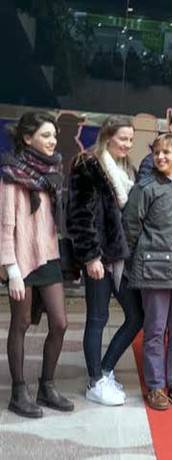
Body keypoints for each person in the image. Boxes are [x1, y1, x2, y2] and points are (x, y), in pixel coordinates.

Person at [0, 111, 74, 418]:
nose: (52, 140)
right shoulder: (12, 174)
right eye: (46, 135)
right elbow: (5, 225)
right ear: (27, 138)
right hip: (21, 258)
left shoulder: (52, 170)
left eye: (54, 135)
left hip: (48, 256)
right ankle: (19, 392)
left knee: (60, 323)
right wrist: (11, 269)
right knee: (21, 323)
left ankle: (47, 386)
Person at [67, 115, 143, 406]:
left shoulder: (127, 169)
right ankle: (95, 381)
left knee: (137, 316)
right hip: (99, 258)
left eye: (131, 140)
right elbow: (79, 216)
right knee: (97, 318)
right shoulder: (87, 165)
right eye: (123, 138)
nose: (127, 144)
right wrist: (90, 256)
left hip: (121, 259)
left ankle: (106, 369)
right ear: (108, 135)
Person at [123, 133, 172, 410]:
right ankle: (156, 387)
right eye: (157, 153)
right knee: (154, 331)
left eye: (167, 153)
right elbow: (130, 229)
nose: (161, 157)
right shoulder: (145, 188)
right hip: (154, 270)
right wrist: (135, 264)